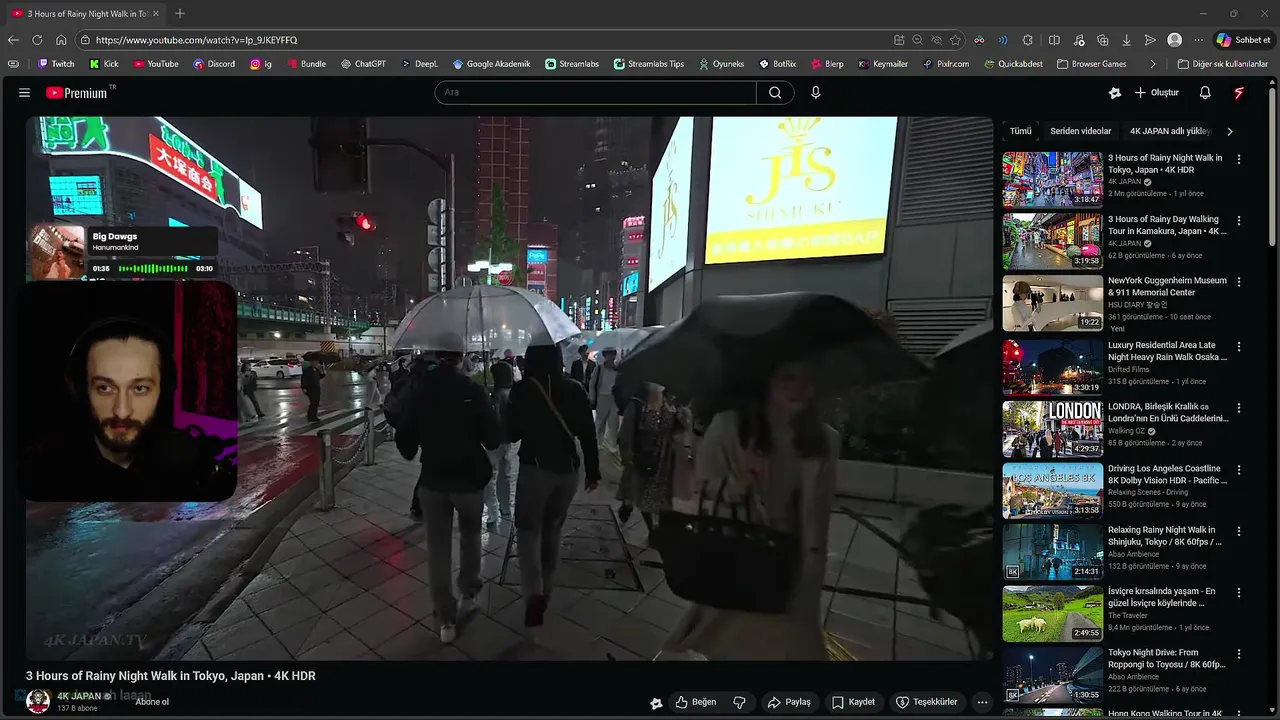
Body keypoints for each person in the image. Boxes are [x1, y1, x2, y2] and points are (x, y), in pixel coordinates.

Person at [660, 360, 839, 661]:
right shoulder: (730, 427)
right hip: (737, 560)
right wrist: (740, 480)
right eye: (788, 378)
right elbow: (704, 495)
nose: (800, 389)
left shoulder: (823, 441)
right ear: (766, 382)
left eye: (808, 379)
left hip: (786, 572)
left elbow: (817, 530)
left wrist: (807, 604)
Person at [25, 317, 234, 501]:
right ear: (80, 390)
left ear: (164, 390)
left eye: (140, 388)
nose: (122, 411)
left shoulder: (188, 459)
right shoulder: (42, 472)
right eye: (104, 388)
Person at [396, 332, 503, 644]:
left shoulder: (419, 391)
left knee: (438, 548)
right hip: (469, 481)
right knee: (470, 537)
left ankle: (446, 618)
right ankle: (469, 591)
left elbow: (406, 446)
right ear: (461, 356)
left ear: (434, 354)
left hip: (433, 481)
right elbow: (493, 439)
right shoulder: (473, 390)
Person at [507, 344, 601, 631]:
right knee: (552, 529)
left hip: (535, 470)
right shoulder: (575, 389)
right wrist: (593, 472)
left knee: (528, 531)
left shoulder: (522, 390)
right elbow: (588, 434)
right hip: (568, 472)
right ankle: (546, 589)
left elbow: (510, 433)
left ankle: (533, 592)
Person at [616, 382, 682, 532]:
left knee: (653, 493)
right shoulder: (638, 404)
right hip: (641, 454)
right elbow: (626, 433)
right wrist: (627, 456)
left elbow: (678, 429)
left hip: (663, 457)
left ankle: (653, 526)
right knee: (637, 487)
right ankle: (632, 509)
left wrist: (682, 417)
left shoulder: (671, 403)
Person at [485, 360, 519, 527]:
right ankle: (505, 507)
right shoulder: (512, 393)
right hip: (507, 440)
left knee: (490, 476)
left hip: (493, 440)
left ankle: (493, 510)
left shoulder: (496, 396)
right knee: (505, 475)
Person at [589, 347, 621, 452]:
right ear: (604, 356)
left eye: (612, 354)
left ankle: (612, 444)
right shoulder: (599, 368)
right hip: (602, 397)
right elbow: (592, 384)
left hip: (614, 398)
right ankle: (597, 442)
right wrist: (592, 397)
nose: (611, 357)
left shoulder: (618, 369)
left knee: (614, 422)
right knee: (600, 421)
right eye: (608, 354)